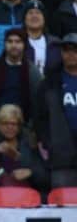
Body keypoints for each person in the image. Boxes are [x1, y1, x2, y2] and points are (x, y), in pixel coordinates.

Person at [0, 104, 48, 193]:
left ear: (19, 126)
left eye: (14, 124)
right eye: (5, 123)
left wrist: (31, 172)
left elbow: (45, 177)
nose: (10, 127)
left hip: (26, 194)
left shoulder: (29, 141)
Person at [35, 33, 77, 187]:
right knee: (63, 203)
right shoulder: (48, 83)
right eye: (67, 50)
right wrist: (47, 143)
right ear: (61, 53)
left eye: (75, 50)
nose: (71, 54)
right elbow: (40, 118)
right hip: (61, 157)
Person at [22, 0, 61, 75]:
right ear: (24, 19)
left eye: (38, 13)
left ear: (44, 19)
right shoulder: (17, 41)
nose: (34, 16)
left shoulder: (56, 43)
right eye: (30, 13)